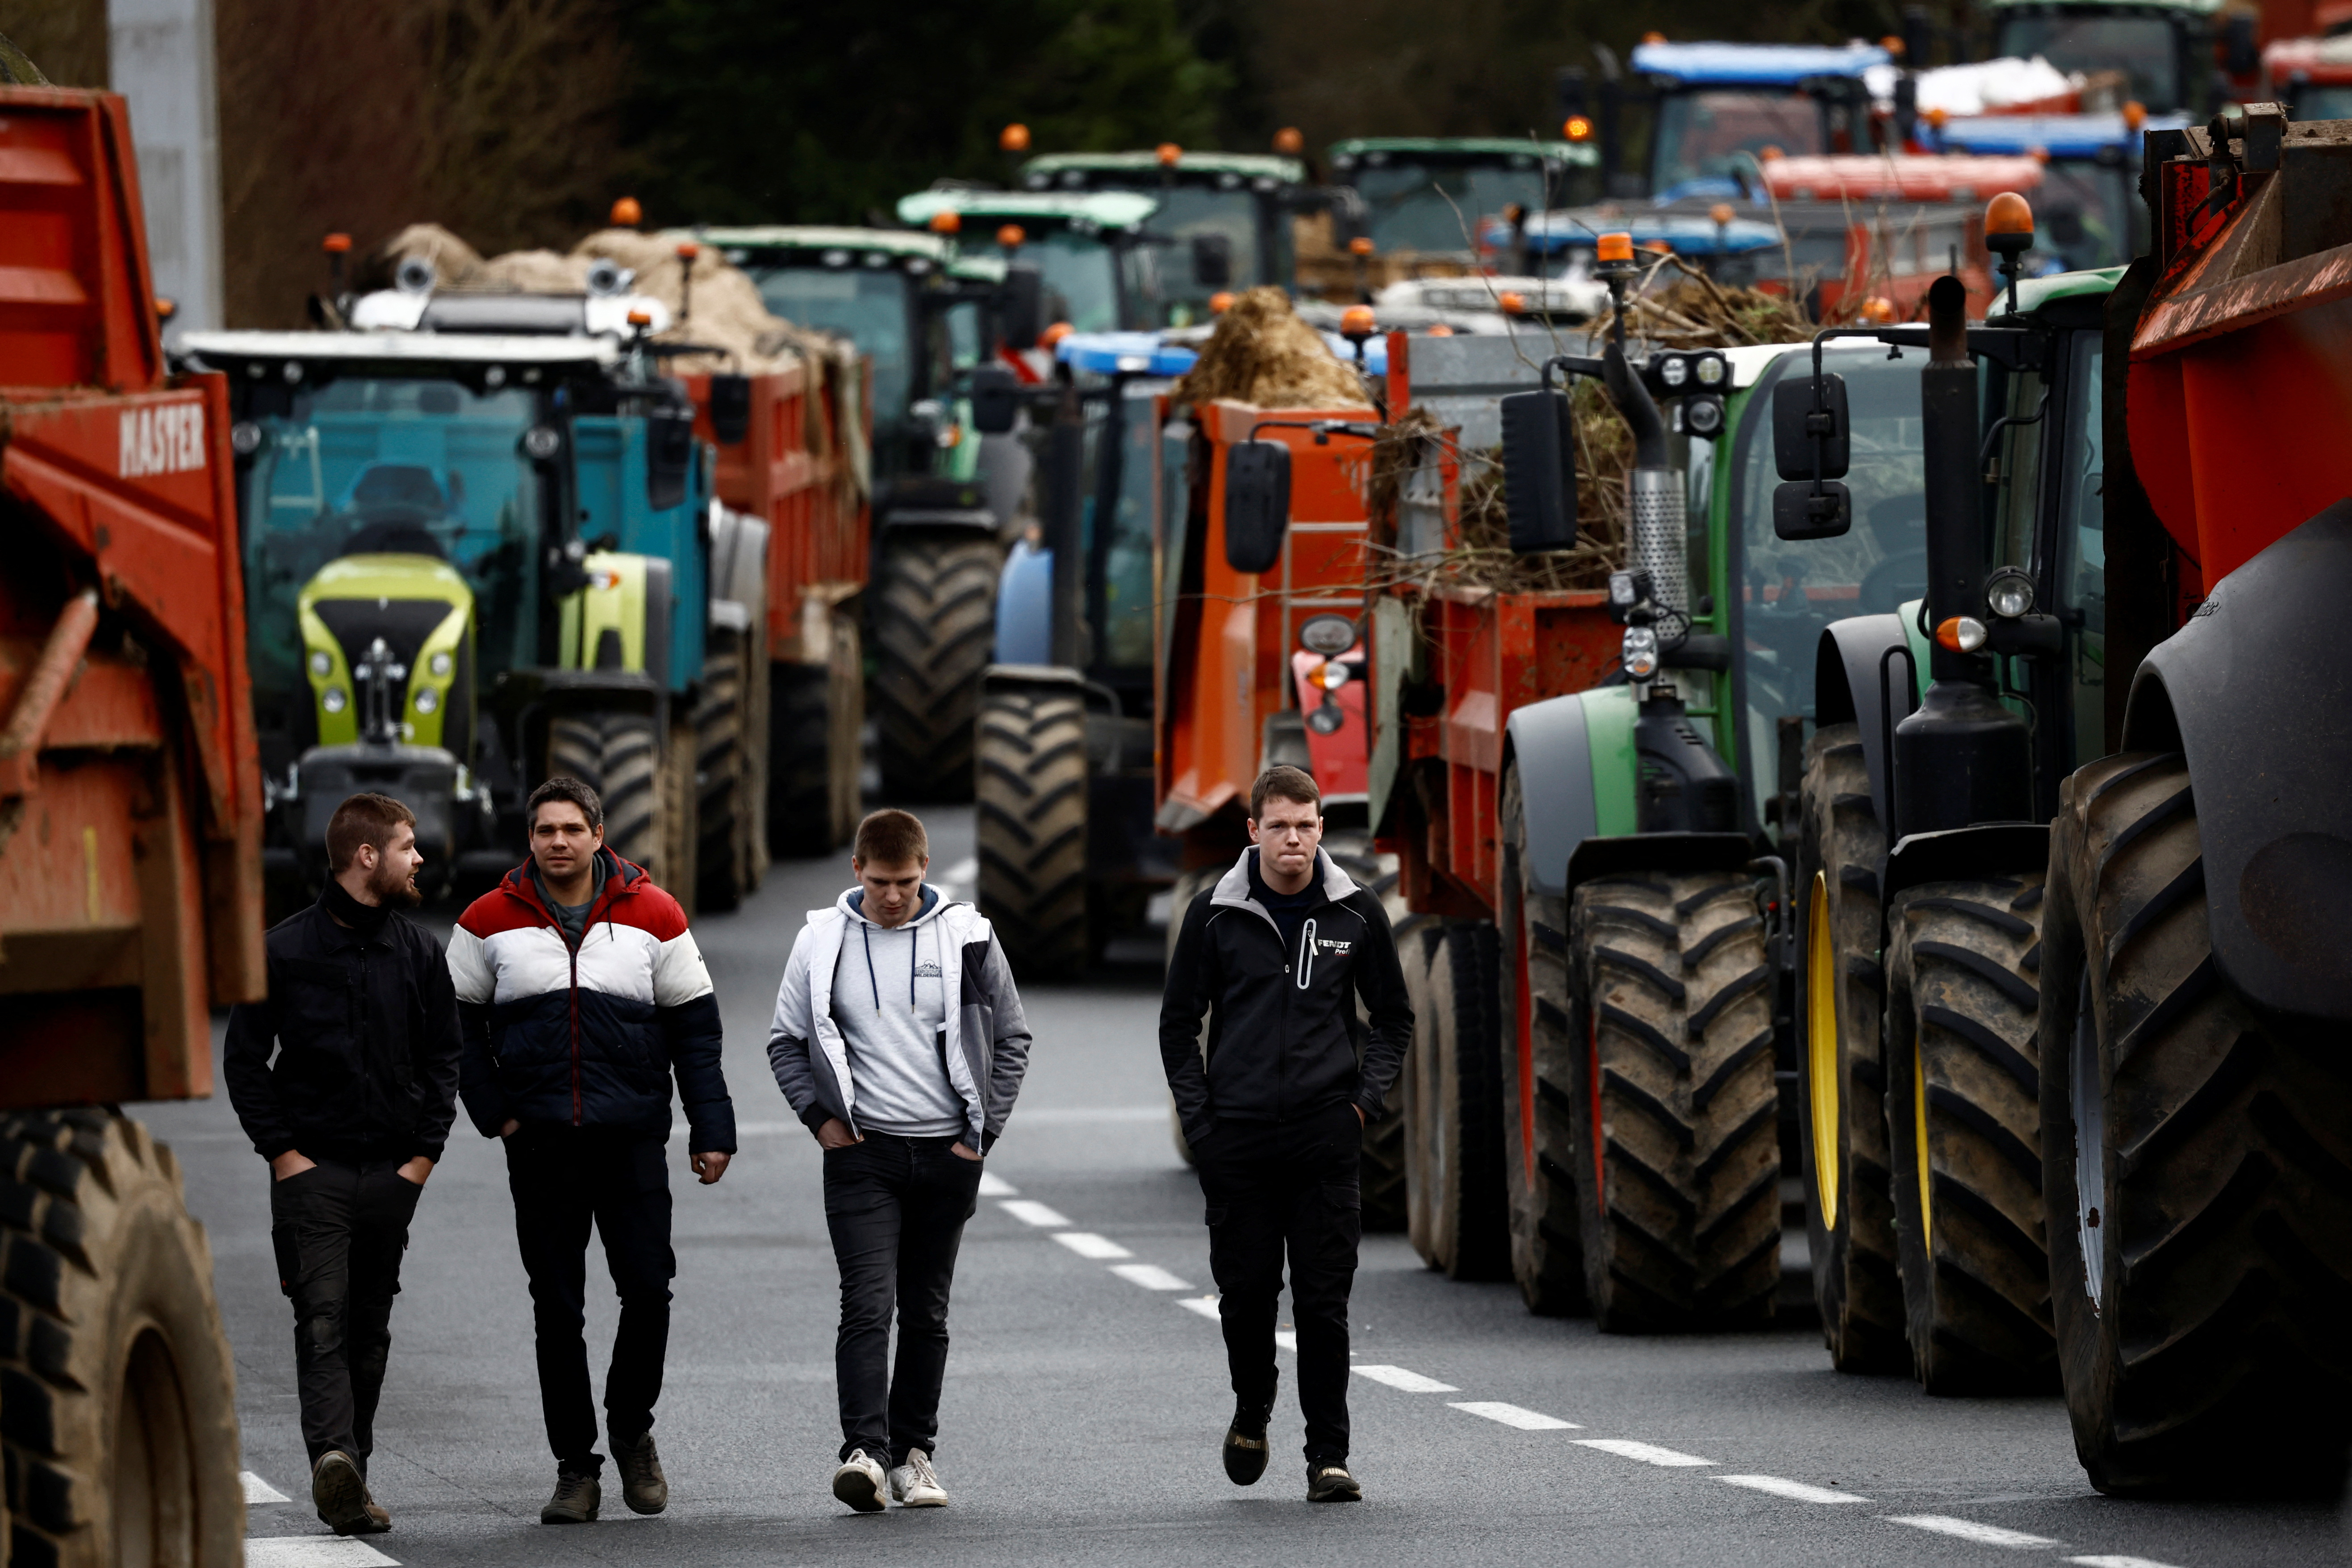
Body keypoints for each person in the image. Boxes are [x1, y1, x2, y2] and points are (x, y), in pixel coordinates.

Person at [448, 777, 735, 1525]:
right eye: (545, 830)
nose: (558, 842)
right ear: (531, 838)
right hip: (540, 1146)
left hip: (633, 1140)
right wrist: (497, 1116)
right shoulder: (486, 921)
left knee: (648, 1291)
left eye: (572, 829)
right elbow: (455, 1031)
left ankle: (632, 1429)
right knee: (557, 1309)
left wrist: (712, 1130)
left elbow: (695, 1032)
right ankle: (575, 1467)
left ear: (599, 834)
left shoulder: (655, 914)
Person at [1157, 765, 1412, 1503]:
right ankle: (1252, 1410)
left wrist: (1363, 1102)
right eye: (1278, 826)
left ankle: (1328, 1457)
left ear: (1321, 829)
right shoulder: (1214, 915)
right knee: (1246, 1299)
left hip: (1323, 1139)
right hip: (1235, 1139)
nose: (1292, 838)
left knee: (1324, 1304)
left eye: (1305, 825)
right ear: (1254, 832)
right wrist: (1200, 1121)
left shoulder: (1357, 913)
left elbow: (1393, 1017)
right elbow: (1179, 1025)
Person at [767, 808, 1032, 1513]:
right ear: (857, 872)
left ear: (925, 874)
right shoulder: (821, 940)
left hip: (947, 1153)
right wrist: (819, 1119)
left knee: (926, 1312)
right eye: (881, 882)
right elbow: (785, 1041)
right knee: (867, 1304)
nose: (894, 896)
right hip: (863, 1154)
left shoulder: (968, 935)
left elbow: (1012, 1038)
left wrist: (981, 1137)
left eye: (907, 883)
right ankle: (865, 1455)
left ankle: (916, 1457)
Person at [224, 793, 462, 1537]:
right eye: (406, 845)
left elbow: (445, 1059)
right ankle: (335, 1457)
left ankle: (352, 1472)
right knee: (321, 1320)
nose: (418, 857)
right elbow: (244, 1060)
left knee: (369, 1330)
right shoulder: (284, 950)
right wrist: (285, 1156)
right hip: (313, 1175)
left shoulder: (421, 952)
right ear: (367, 856)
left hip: (392, 1177)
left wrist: (421, 1160)